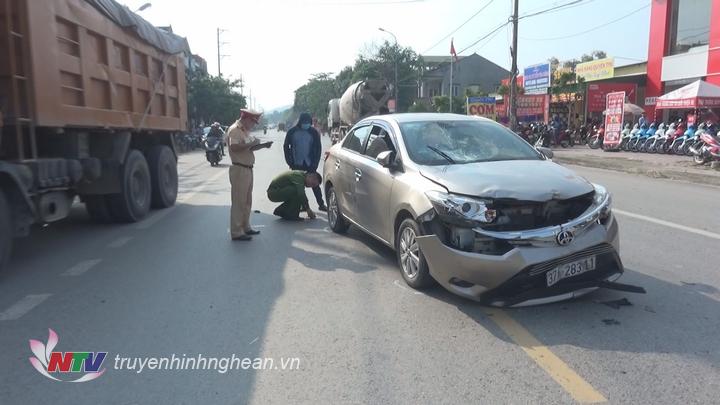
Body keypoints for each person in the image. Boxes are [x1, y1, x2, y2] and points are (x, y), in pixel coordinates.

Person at [226, 109, 272, 241]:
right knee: (239, 202)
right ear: (246, 118)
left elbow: (248, 147)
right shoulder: (235, 130)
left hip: (247, 169)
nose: (253, 125)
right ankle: (236, 231)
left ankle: (245, 227)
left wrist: (263, 146)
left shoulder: (244, 130)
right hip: (239, 169)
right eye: (253, 122)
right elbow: (234, 147)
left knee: (247, 201)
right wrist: (252, 143)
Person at [283, 112, 326, 211]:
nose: (306, 124)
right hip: (296, 163)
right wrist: (289, 161)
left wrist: (315, 163)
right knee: (298, 185)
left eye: (308, 122)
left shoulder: (313, 132)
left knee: (315, 184)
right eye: (304, 122)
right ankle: (302, 205)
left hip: (310, 162)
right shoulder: (292, 132)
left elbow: (318, 148)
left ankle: (321, 204)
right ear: (300, 122)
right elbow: (286, 146)